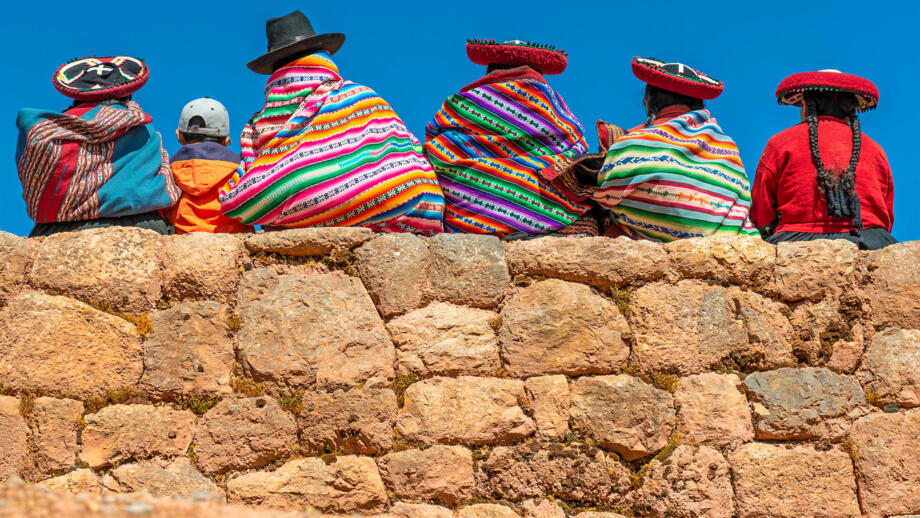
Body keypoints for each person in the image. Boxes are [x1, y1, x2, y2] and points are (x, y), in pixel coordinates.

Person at [219, 11, 444, 234]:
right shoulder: (361, 96)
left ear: (276, 71)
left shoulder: (258, 124)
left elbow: (245, 194)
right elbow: (409, 159)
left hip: (301, 220)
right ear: (322, 57)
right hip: (399, 204)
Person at [552, 57, 758, 241]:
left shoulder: (632, 144)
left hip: (651, 240)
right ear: (699, 106)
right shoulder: (727, 146)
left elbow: (606, 196)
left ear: (648, 103)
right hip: (726, 241)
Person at [424, 39, 598, 237]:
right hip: (552, 218)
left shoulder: (466, 105)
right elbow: (577, 145)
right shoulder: (552, 107)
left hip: (471, 224)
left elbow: (434, 135)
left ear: (490, 72)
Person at [16, 56, 180, 237]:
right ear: (127, 94)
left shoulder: (41, 132)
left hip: (55, 230)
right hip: (140, 226)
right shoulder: (143, 128)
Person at [751, 70, 895, 249]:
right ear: (851, 109)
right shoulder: (875, 150)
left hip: (796, 242)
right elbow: (886, 214)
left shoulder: (780, 143)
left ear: (806, 104)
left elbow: (762, 211)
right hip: (871, 241)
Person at [165, 98, 252, 234]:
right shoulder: (242, 170)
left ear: (179, 136)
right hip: (234, 238)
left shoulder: (167, 171)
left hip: (181, 238)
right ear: (226, 140)